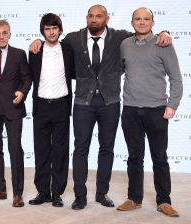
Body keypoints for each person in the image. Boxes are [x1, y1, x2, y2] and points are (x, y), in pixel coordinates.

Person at [29, 4, 172, 210]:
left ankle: (102, 193)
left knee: (107, 148)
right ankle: (80, 195)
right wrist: (37, 41)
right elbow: (52, 42)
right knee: (81, 149)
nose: (94, 19)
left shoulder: (119, 37)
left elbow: (142, 32)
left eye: (99, 16)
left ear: (107, 18)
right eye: (91, 16)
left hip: (110, 103)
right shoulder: (72, 38)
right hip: (82, 103)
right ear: (86, 18)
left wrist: (164, 33)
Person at [116, 7, 182, 217]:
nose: (142, 22)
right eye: (138, 19)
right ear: (132, 22)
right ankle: (134, 198)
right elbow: (118, 70)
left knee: (159, 157)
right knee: (134, 157)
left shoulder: (163, 43)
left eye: (146, 19)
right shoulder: (125, 44)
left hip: (157, 111)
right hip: (131, 110)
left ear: (153, 23)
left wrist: (172, 105)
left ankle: (164, 201)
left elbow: (176, 78)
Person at [0, 20, 32, 207]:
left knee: (15, 150)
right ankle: (0, 189)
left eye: (4, 32)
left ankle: (17, 193)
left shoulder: (19, 54)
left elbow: (27, 79)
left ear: (10, 34)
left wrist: (22, 93)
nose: (1, 36)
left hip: (13, 107)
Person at [27, 13, 75, 207]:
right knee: (41, 151)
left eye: (54, 28)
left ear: (59, 29)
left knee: (61, 152)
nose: (51, 31)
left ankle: (57, 193)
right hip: (41, 106)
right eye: (47, 28)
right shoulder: (35, 51)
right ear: (42, 31)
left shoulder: (68, 49)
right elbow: (27, 75)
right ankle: (43, 192)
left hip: (61, 106)